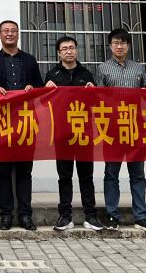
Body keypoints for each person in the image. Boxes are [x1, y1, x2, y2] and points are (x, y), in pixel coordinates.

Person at [0, 19, 43, 231]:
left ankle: (25, 215)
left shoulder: (30, 60)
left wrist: (32, 88)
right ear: (0, 35)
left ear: (18, 34)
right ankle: (6, 214)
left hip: (26, 121)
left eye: (13, 31)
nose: (9, 34)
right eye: (5, 31)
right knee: (3, 170)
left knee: (25, 171)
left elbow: (40, 87)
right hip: (2, 121)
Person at [97, 27, 146, 233]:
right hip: (112, 129)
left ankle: (140, 216)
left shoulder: (139, 68)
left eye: (123, 43)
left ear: (128, 46)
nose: (119, 46)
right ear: (110, 46)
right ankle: (112, 215)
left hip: (135, 127)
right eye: (115, 43)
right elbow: (97, 98)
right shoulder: (103, 68)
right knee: (111, 173)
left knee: (137, 174)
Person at [44, 35, 104, 232]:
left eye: (72, 47)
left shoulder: (86, 74)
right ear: (59, 53)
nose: (68, 51)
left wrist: (93, 92)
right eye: (64, 48)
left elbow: (95, 104)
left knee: (86, 176)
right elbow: (44, 105)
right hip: (62, 133)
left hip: (84, 132)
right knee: (64, 176)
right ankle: (65, 216)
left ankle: (91, 216)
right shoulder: (52, 75)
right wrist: (46, 91)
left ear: (77, 50)